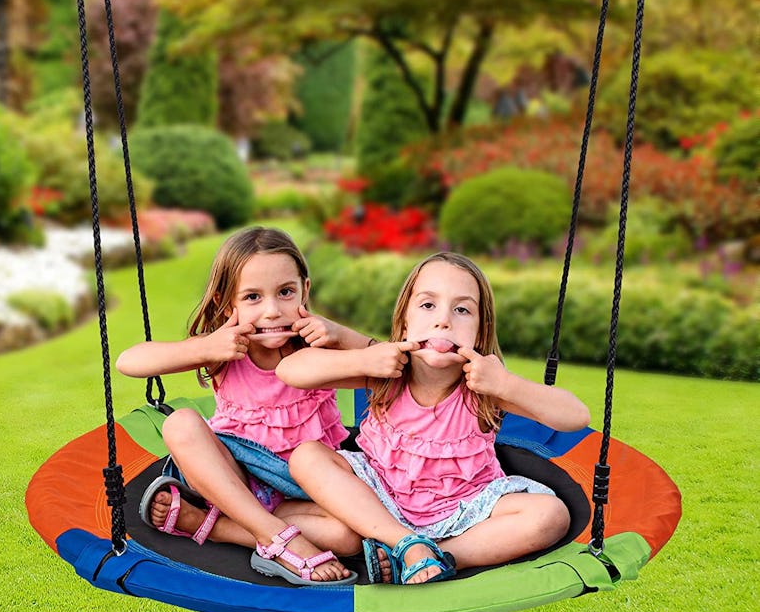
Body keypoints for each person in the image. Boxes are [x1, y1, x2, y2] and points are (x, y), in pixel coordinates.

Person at [277, 252, 591, 585]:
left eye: (462, 310)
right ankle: (403, 542)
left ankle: (442, 556)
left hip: (466, 508)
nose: (444, 321)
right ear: (405, 321)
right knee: (308, 456)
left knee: (550, 516)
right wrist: (364, 360)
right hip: (379, 498)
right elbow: (291, 370)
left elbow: (574, 416)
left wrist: (506, 384)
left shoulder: (484, 386)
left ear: (480, 332)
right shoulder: (387, 370)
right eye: (428, 306)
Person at [115, 226, 370, 586]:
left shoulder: (318, 350)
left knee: (348, 537)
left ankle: (218, 527)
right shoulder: (226, 348)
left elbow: (391, 368)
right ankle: (276, 536)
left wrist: (343, 336)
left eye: (285, 292)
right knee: (180, 424)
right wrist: (204, 349)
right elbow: (129, 362)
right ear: (226, 302)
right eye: (252, 297)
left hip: (301, 487)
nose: (272, 311)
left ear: (305, 290)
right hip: (230, 478)